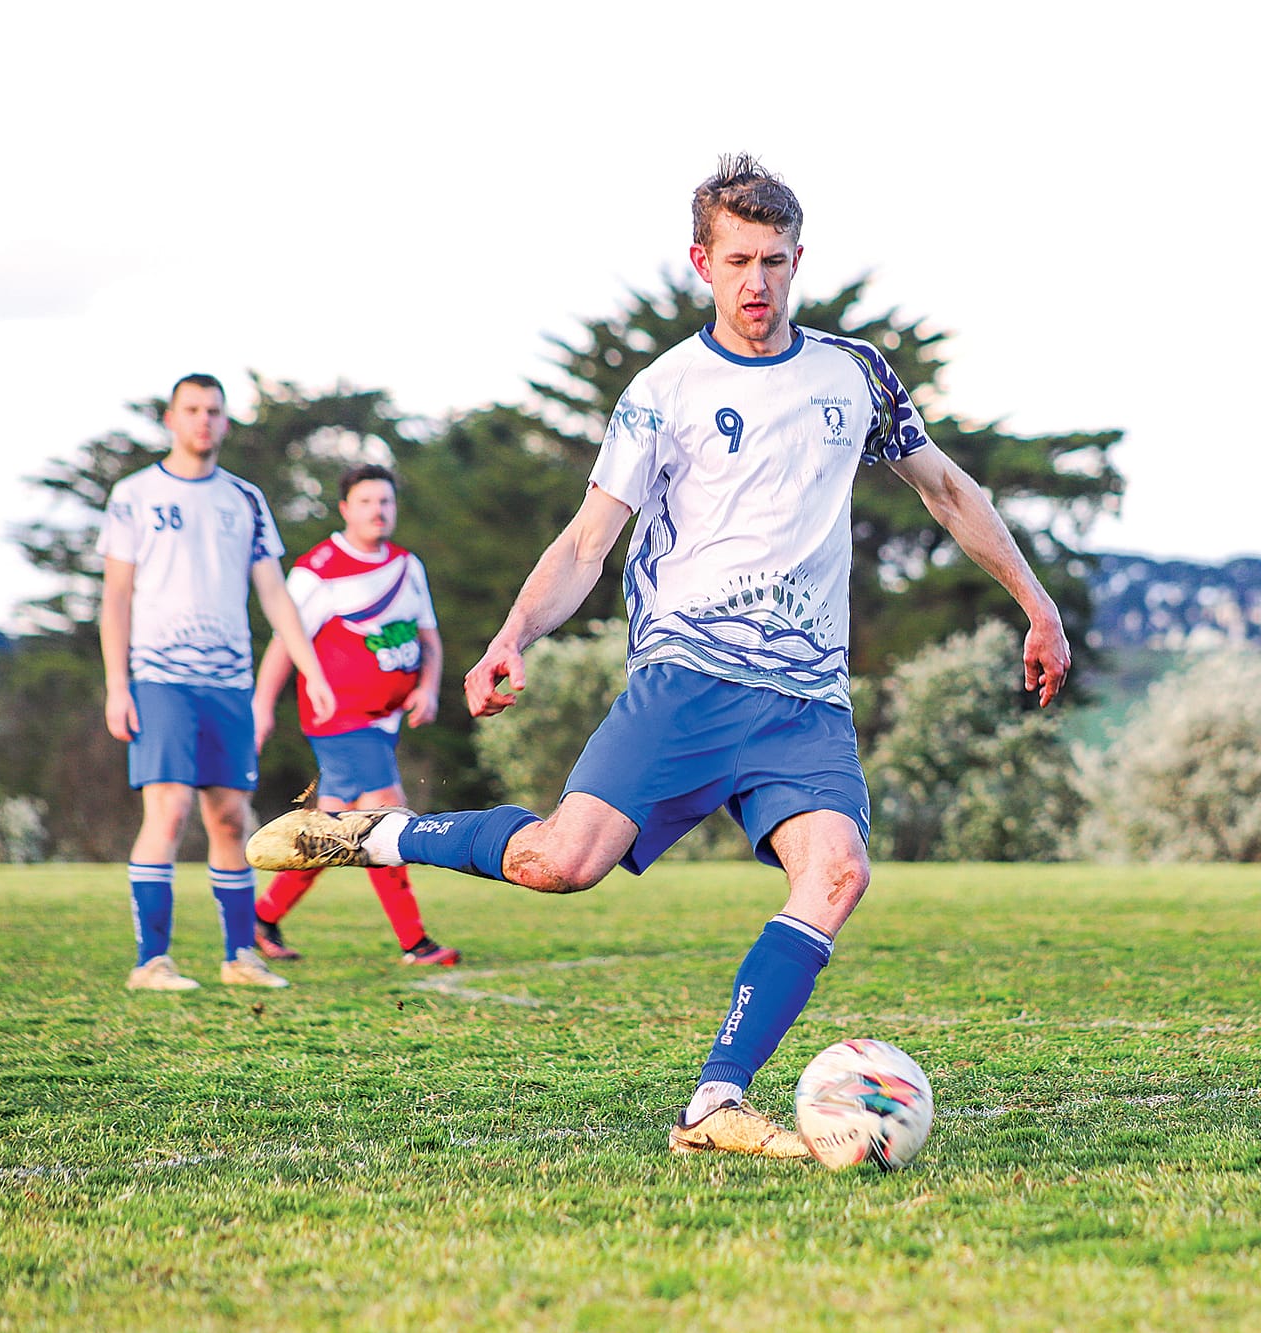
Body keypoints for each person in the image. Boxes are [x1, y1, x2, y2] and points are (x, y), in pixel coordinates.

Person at [249, 154, 1070, 1155]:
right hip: (685, 682)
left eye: (773, 260)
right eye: (736, 261)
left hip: (806, 700)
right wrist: (513, 631)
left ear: (797, 258)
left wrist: (1035, 602)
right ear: (701, 262)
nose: (756, 282)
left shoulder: (854, 375)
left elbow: (946, 490)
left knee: (837, 871)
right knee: (558, 861)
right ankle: (365, 834)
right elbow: (589, 540)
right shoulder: (663, 389)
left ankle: (711, 1103)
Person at [101, 373, 337, 992]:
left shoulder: (246, 500)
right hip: (159, 677)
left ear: (226, 422)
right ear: (171, 419)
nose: (203, 420)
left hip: (227, 683)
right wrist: (116, 684)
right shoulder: (134, 494)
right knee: (170, 808)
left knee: (231, 817)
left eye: (213, 410)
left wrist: (310, 671)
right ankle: (151, 962)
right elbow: (116, 596)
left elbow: (274, 594)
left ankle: (240, 957)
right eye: (191, 409)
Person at [250, 463, 459, 967]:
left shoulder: (408, 566)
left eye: (385, 501)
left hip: (383, 723)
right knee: (385, 816)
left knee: (337, 831)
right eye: (366, 502)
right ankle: (415, 942)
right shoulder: (317, 569)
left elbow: (427, 637)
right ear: (345, 509)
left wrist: (427, 689)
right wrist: (261, 707)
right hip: (340, 718)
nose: (377, 510)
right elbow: (284, 642)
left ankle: (260, 918)